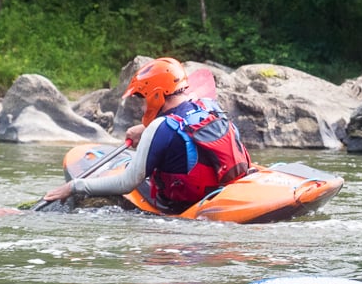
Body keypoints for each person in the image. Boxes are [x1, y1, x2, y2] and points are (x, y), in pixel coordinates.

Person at [44, 57, 252, 212]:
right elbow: (184, 123)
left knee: (135, 171)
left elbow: (127, 183)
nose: (143, 104)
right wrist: (145, 130)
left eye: (143, 97)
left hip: (185, 203)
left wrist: (74, 186)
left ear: (156, 94)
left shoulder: (160, 127)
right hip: (220, 186)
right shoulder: (208, 106)